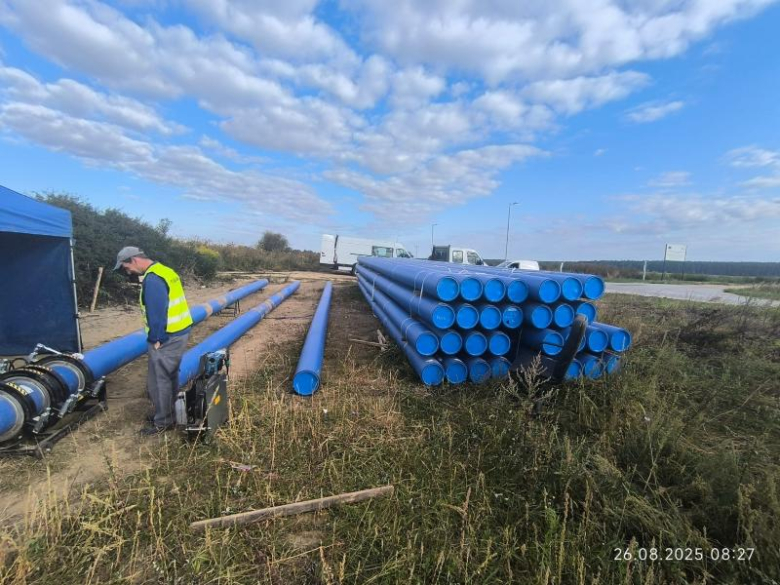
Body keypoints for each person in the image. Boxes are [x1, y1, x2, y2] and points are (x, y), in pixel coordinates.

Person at [113, 246, 193, 435]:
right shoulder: (164, 270)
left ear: (133, 260)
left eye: (126, 267)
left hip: (167, 336)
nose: (128, 272)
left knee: (159, 380)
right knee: (169, 376)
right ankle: (167, 413)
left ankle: (163, 422)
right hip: (178, 331)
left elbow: (157, 311)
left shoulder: (153, 278)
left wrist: (157, 339)